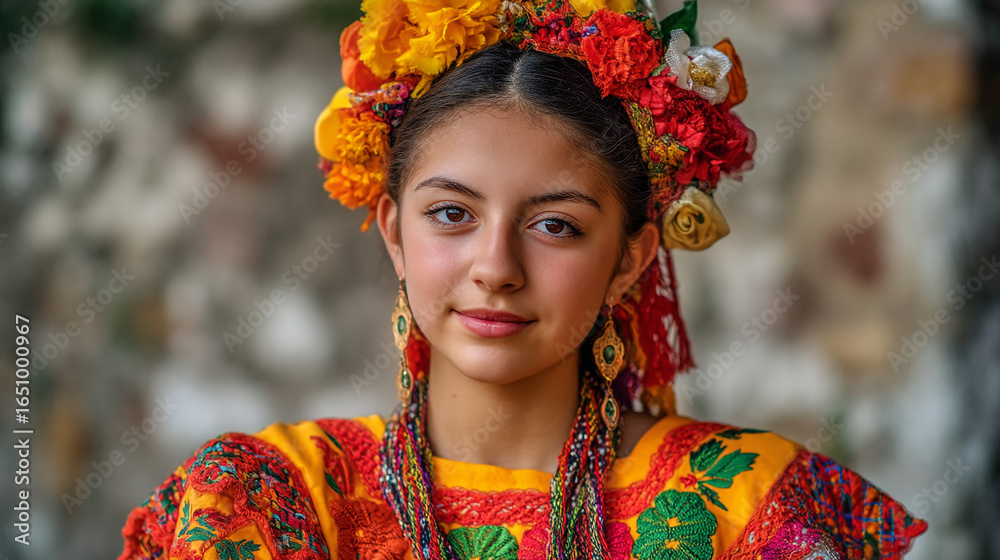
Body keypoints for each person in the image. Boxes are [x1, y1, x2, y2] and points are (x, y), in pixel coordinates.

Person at [118, 0, 928, 558]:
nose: (496, 270)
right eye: (451, 215)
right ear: (395, 234)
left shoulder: (750, 511)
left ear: (631, 261)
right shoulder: (272, 502)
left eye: (556, 226)